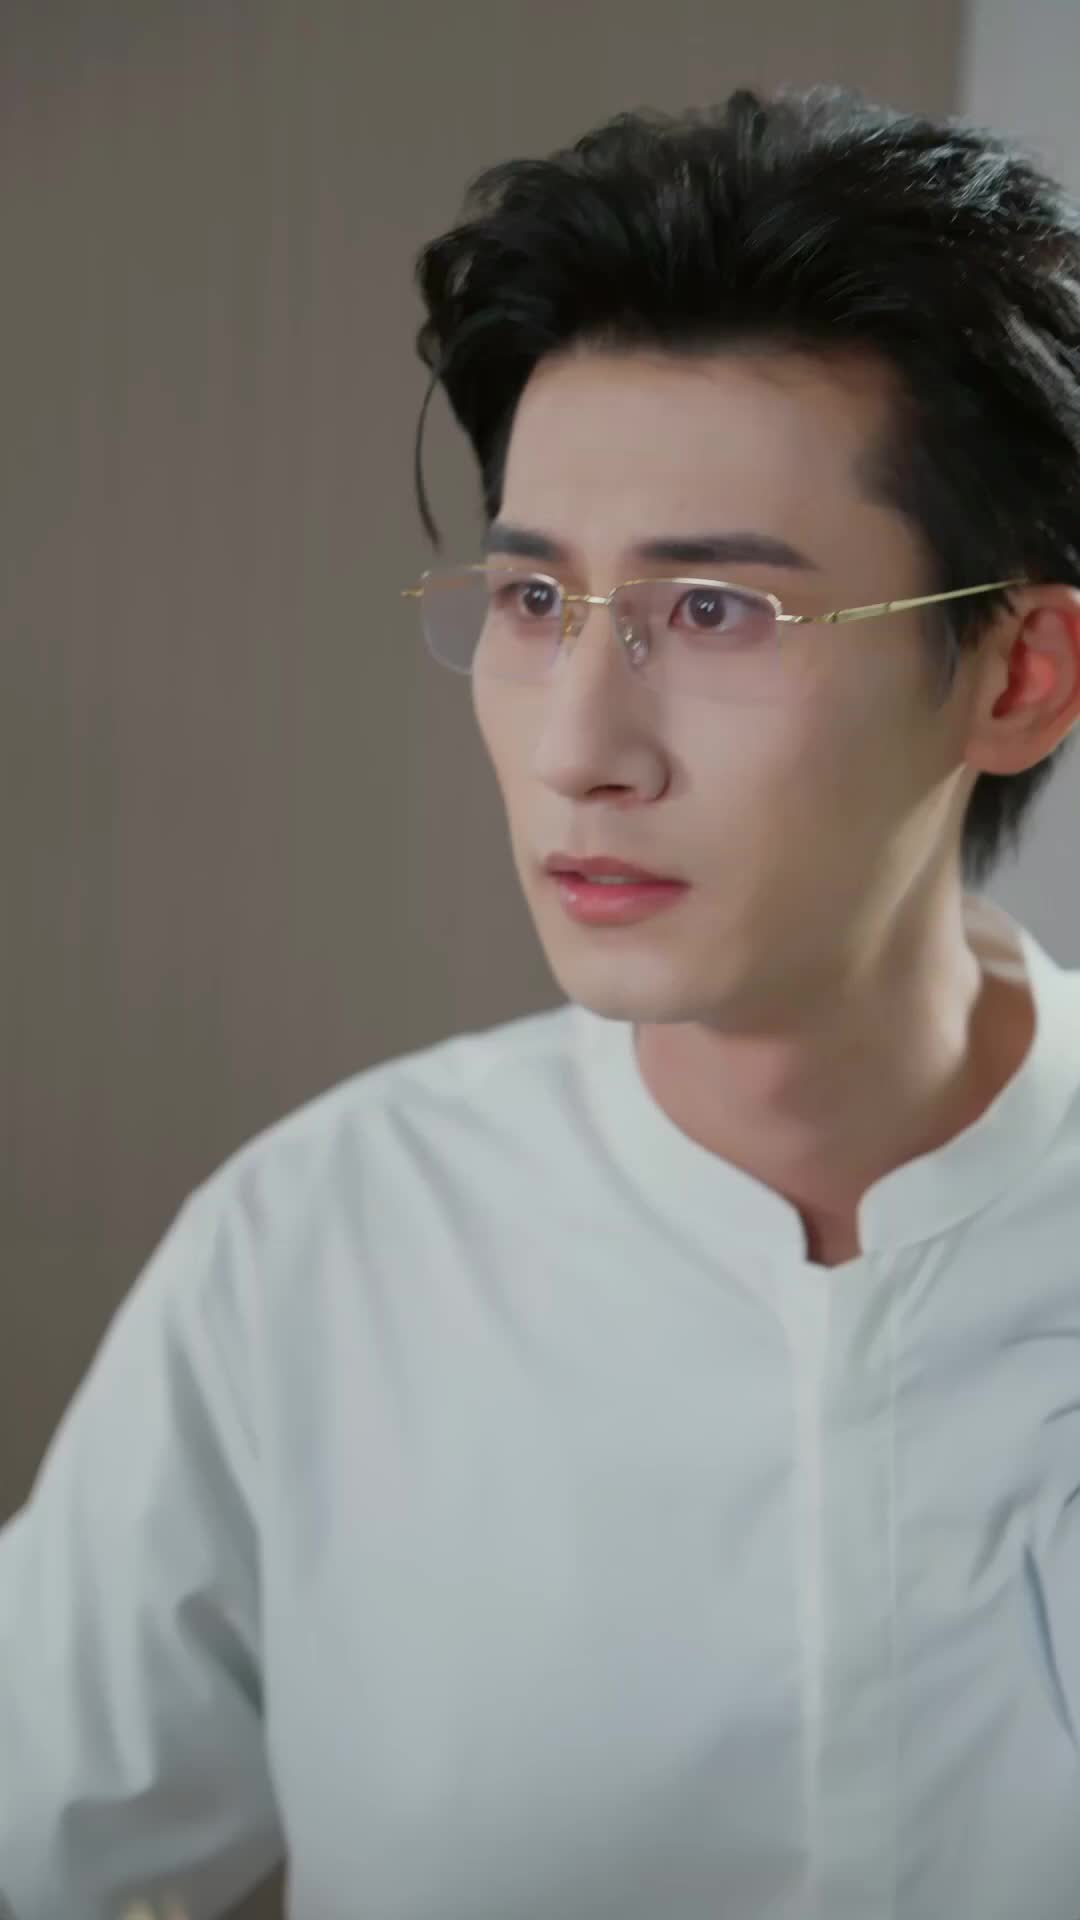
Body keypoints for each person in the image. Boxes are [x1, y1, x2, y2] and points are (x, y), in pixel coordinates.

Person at [4, 81, 1080, 1920]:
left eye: (717, 612)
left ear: (1016, 672)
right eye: (529, 601)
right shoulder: (321, 1255)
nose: (584, 747)